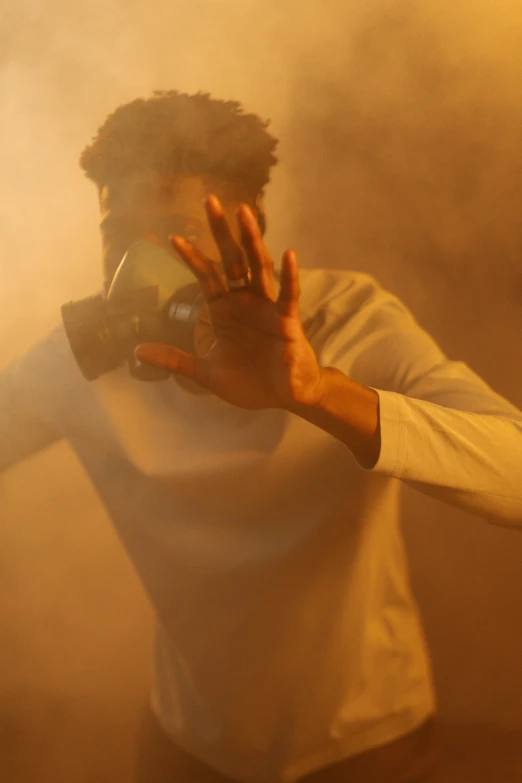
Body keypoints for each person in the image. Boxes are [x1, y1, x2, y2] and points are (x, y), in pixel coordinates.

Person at [1, 90, 521, 783]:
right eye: (116, 237)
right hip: (188, 741)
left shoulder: (348, 321)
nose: (132, 267)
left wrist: (318, 393)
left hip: (365, 743)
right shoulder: (79, 362)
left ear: (246, 229)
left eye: (170, 229)